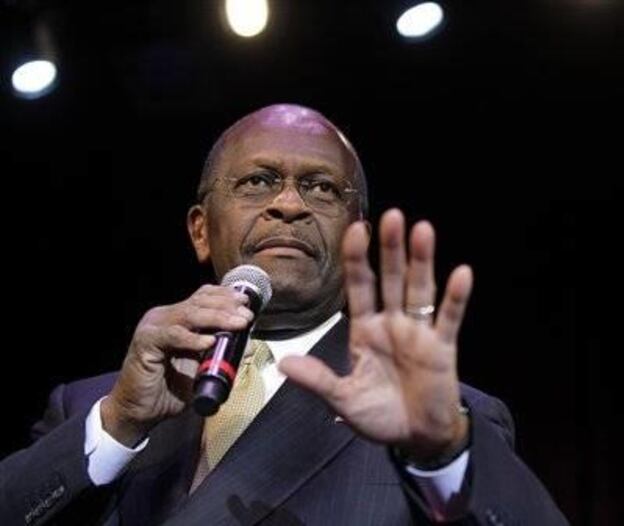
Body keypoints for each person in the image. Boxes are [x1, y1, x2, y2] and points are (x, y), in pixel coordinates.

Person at [0, 104, 568, 525]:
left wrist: (442, 452)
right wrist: (120, 422)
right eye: (258, 181)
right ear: (201, 229)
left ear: (358, 237)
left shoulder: (432, 415)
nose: (289, 204)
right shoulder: (92, 408)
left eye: (321, 188)